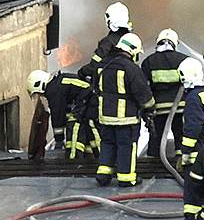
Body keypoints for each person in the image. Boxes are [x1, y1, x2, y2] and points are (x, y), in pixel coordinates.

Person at [95, 32, 155, 187]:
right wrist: (150, 108)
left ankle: (103, 175)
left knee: (107, 143)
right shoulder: (131, 68)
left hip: (105, 117)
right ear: (132, 51)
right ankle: (126, 178)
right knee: (126, 146)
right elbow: (142, 93)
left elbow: (95, 87)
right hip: (126, 119)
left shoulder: (102, 65)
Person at [26, 70, 99, 159]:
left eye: (38, 93)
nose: (41, 95)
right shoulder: (58, 83)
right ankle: (92, 158)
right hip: (90, 102)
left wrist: (59, 139)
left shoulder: (54, 90)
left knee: (74, 128)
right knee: (88, 133)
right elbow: (66, 106)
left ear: (39, 84)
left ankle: (73, 161)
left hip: (89, 101)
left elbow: (57, 115)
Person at [141, 29, 189, 159]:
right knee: (181, 136)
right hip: (180, 107)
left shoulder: (149, 61)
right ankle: (180, 161)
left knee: (156, 138)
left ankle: (152, 163)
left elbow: (144, 87)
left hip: (158, 108)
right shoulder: (184, 60)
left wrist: (146, 109)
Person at [79, 2, 132, 81]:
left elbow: (94, 66)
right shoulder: (131, 39)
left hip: (107, 83)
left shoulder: (108, 42)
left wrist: (82, 72)